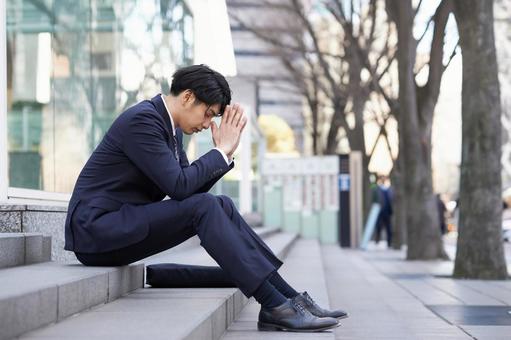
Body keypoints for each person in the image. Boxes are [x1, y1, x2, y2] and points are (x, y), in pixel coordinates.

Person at [64, 64, 346, 332]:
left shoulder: (170, 128)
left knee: (221, 203)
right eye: (208, 113)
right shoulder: (143, 120)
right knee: (207, 205)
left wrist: (225, 155)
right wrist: (220, 153)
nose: (208, 123)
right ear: (188, 97)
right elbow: (180, 187)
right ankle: (274, 306)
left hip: (121, 225)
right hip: (96, 231)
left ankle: (290, 298)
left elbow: (189, 189)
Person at [375, 176, 393, 247]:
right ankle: (377, 240)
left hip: (387, 212)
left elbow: (391, 200)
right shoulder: (377, 189)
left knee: (389, 228)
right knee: (378, 226)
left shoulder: (389, 189)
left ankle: (389, 242)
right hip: (379, 211)